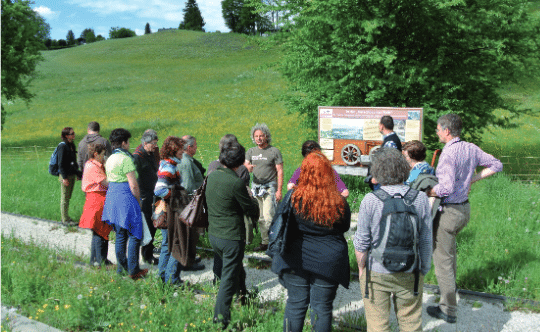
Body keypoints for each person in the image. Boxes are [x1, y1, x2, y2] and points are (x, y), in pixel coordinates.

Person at [426, 113, 503, 323]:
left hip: (449, 212)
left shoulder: (448, 154)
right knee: (449, 254)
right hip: (464, 210)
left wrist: (428, 191)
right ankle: (449, 293)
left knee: (442, 260)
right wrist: (474, 179)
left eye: (438, 129)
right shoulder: (471, 148)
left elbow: (446, 188)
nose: (436, 132)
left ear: (447, 131)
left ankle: (448, 310)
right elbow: (497, 165)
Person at [354, 147, 432, 332]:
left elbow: (361, 241)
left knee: (377, 326)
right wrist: (423, 269)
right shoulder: (420, 199)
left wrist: (361, 267)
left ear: (377, 171)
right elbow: (426, 239)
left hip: (376, 271)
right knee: (411, 323)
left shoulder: (370, 200)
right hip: (410, 270)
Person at [272, 151, 350, 332]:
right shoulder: (338, 201)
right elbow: (344, 227)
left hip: (296, 256)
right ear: (328, 173)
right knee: (322, 308)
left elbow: (280, 224)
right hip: (328, 259)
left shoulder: (293, 198)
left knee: (295, 304)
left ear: (304, 172)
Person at [206, 141, 260, 329]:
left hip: (214, 235)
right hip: (230, 237)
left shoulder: (212, 177)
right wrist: (253, 199)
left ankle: (244, 298)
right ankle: (220, 322)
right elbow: (250, 208)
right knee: (227, 281)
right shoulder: (236, 182)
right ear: (239, 162)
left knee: (235, 268)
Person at [207, 134, 253, 291]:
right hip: (233, 223)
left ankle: (217, 280)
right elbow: (246, 202)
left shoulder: (212, 166)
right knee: (234, 258)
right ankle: (236, 291)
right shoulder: (241, 171)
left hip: (213, 221)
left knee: (218, 254)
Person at [101, 128, 148, 280]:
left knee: (120, 234)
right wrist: (138, 201)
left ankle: (122, 268)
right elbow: (133, 185)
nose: (129, 145)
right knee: (135, 234)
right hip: (126, 197)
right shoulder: (126, 159)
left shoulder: (109, 159)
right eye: (128, 142)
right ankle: (133, 270)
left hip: (112, 196)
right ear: (123, 142)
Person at [244, 123, 284, 252]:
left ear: (266, 136)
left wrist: (279, 190)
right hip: (256, 187)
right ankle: (265, 242)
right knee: (260, 218)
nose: (259, 138)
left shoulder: (274, 151)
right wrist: (247, 167)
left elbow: (280, 171)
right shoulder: (251, 151)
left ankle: (275, 242)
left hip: (269, 187)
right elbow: (245, 165)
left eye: (261, 136)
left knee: (268, 216)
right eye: (256, 136)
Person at [154, 136, 187, 286]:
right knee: (177, 244)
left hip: (166, 210)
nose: (183, 151)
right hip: (171, 210)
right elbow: (159, 189)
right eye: (181, 149)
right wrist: (175, 196)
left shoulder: (166, 163)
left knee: (167, 244)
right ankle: (172, 280)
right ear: (174, 150)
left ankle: (161, 277)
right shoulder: (169, 167)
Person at [78, 141, 113, 266]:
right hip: (96, 200)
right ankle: (100, 261)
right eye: (103, 154)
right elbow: (106, 183)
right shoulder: (92, 166)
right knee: (99, 230)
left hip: (99, 200)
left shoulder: (96, 165)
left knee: (101, 230)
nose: (104, 157)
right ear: (95, 154)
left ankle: (96, 260)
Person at [178, 134, 205, 271]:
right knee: (190, 233)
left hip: (188, 202)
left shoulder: (186, 159)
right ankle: (188, 262)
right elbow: (188, 186)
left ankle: (190, 257)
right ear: (189, 147)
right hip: (189, 202)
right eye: (195, 146)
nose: (196, 148)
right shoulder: (187, 162)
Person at [133, 129, 160, 265]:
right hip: (145, 197)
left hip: (153, 194)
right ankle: (147, 255)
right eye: (153, 143)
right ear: (145, 143)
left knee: (153, 224)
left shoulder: (150, 153)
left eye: (156, 143)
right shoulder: (138, 157)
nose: (155, 146)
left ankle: (148, 250)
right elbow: (136, 179)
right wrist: (142, 197)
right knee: (148, 225)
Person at [57, 127, 82, 225]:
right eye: (72, 133)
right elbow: (60, 163)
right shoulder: (62, 146)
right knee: (64, 198)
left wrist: (76, 173)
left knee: (68, 197)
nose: (74, 134)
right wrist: (64, 178)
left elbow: (73, 161)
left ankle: (67, 217)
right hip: (65, 176)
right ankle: (64, 220)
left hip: (72, 175)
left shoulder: (72, 145)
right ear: (66, 136)